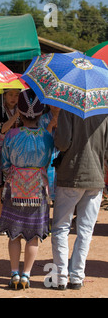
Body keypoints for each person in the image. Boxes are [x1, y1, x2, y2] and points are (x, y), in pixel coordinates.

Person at [0, 89, 53, 290]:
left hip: (14, 188)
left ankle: (13, 274)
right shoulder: (47, 137)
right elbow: (48, 162)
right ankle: (26, 275)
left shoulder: (11, 135)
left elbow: (4, 164)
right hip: (37, 190)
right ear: (41, 113)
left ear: (19, 111)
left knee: (15, 234)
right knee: (33, 235)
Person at [51, 108, 108, 290]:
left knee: (61, 227)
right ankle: (77, 277)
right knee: (86, 230)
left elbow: (62, 143)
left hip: (70, 174)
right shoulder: (104, 113)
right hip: (96, 178)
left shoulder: (69, 110)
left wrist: (55, 133)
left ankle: (60, 277)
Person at [0, 89, 22, 215]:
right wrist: (16, 116)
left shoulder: (23, 110)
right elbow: (2, 130)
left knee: (17, 186)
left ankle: (14, 216)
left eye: (17, 95)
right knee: (2, 186)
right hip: (3, 151)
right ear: (4, 96)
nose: (13, 98)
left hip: (19, 151)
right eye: (10, 94)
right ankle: (2, 218)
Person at [39, 105, 61, 201]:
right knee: (47, 190)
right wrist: (50, 125)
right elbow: (42, 140)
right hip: (48, 156)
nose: (55, 105)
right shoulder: (43, 119)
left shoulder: (68, 117)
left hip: (62, 155)